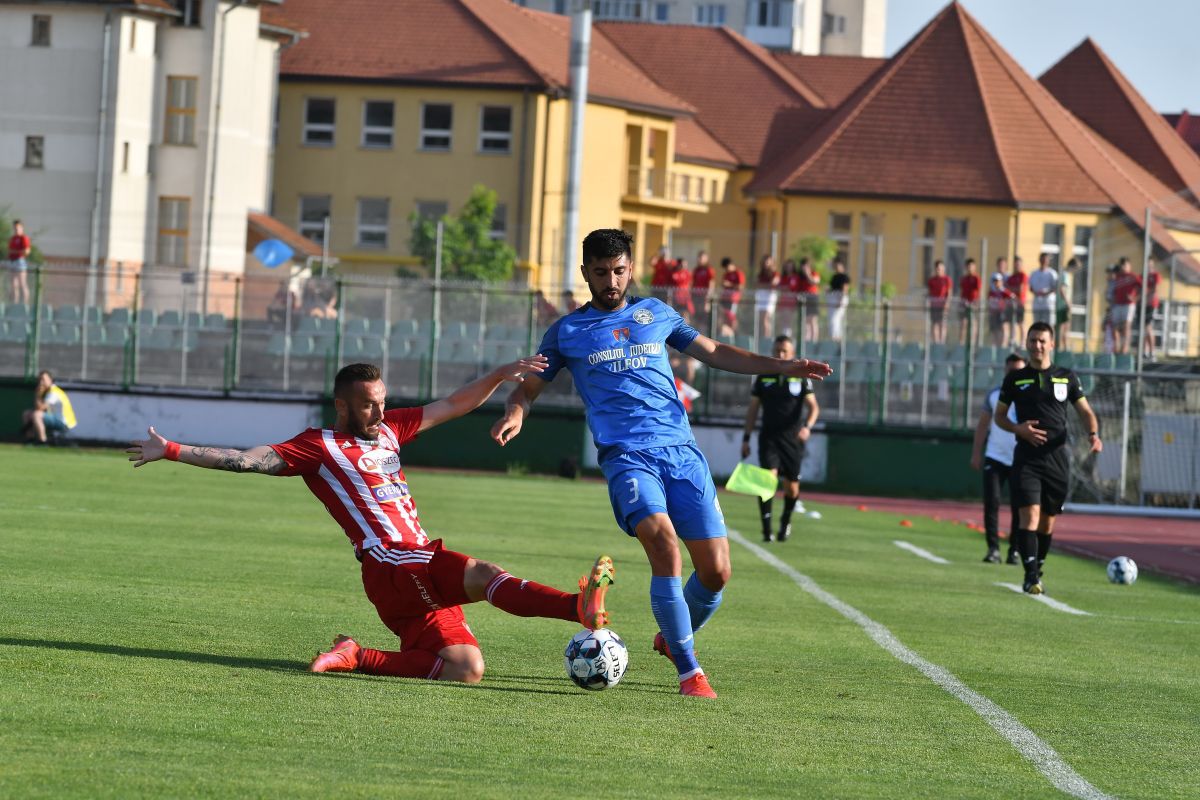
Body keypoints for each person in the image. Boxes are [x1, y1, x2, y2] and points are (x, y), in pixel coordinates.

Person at [491, 229, 832, 698]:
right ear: (586, 273)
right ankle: (690, 672)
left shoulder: (656, 313)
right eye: (600, 272)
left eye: (618, 271)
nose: (611, 281)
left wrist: (781, 366)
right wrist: (515, 411)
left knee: (716, 572)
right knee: (663, 542)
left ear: (631, 269)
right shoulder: (567, 332)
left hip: (682, 454)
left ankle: (672, 639)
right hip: (627, 458)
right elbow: (527, 388)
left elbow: (714, 351)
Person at [126, 359, 616, 684]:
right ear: (342, 405)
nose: (380, 410)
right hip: (391, 561)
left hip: (410, 568)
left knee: (465, 668)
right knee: (484, 574)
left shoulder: (390, 430)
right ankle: (577, 606)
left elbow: (453, 405)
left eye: (383, 400)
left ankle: (358, 655)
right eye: (368, 404)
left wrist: (498, 375)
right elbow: (247, 460)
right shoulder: (318, 446)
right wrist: (173, 450)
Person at [993, 322, 1102, 594]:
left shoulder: (1067, 377)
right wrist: (1018, 429)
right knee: (1029, 515)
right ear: (1027, 343)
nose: (1037, 345)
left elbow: (1086, 412)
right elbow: (999, 416)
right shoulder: (1015, 378)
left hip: (1056, 459)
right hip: (1026, 458)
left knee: (1047, 521)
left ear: (1052, 344)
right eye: (1032, 340)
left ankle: (1037, 567)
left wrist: (1093, 435)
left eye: (1042, 341)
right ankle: (1030, 576)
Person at [741, 335, 819, 543]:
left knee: (791, 487)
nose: (781, 354)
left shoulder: (801, 377)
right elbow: (753, 410)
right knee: (767, 480)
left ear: (792, 354)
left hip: (793, 440)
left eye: (785, 351)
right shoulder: (763, 377)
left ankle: (786, 521)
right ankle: (766, 530)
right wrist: (746, 438)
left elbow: (814, 408)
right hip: (769, 437)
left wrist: (807, 427)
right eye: (777, 351)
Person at [969, 353, 1026, 564]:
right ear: (1005, 370)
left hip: (1020, 458)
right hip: (995, 457)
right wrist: (976, 452)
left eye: (1018, 370)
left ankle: (1015, 550)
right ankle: (993, 548)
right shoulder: (994, 394)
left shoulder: (1029, 395)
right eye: (1011, 370)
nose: (1014, 373)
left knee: (1019, 506)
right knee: (992, 502)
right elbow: (983, 424)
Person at [22, 370, 77, 444]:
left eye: (43, 379)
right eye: (40, 380)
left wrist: (38, 394)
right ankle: (30, 441)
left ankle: (43, 442)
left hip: (64, 422)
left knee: (37, 414)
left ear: (50, 380)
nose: (41, 382)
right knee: (27, 413)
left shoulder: (54, 392)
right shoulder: (47, 391)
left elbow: (41, 408)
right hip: (55, 418)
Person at [1110, 257, 1141, 355]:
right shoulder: (1118, 277)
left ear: (1129, 266)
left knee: (1126, 326)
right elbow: (1113, 290)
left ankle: (1124, 350)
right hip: (1117, 304)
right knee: (1115, 327)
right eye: (1122, 265)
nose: (1123, 267)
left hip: (1128, 305)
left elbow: (1143, 289)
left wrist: (1135, 298)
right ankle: (1116, 348)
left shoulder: (1133, 276)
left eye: (1125, 265)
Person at [1029, 253, 1059, 327]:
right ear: (1039, 260)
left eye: (1046, 260)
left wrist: (1046, 293)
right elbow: (1031, 287)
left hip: (1048, 303)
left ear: (1048, 261)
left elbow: (1055, 287)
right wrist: (1036, 293)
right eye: (1042, 259)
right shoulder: (1034, 273)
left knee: (1049, 325)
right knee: (1037, 325)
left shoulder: (1052, 273)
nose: (1044, 261)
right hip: (1037, 303)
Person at [1004, 257, 1028, 349]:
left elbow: (1020, 289)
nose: (1017, 266)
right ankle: (1012, 340)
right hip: (1011, 303)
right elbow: (1006, 289)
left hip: (1020, 303)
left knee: (1021, 323)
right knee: (1012, 323)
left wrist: (1011, 289)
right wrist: (1012, 289)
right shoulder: (1011, 277)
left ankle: (1023, 342)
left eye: (1019, 264)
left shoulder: (1023, 276)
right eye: (1016, 264)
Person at [718, 256, 745, 337]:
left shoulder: (738, 273)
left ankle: (735, 334)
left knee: (732, 317)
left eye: (726, 267)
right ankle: (727, 333)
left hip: (733, 300)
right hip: (725, 299)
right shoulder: (726, 274)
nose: (726, 269)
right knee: (724, 317)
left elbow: (740, 287)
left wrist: (729, 284)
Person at [754, 254, 779, 341]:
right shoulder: (760, 274)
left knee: (766, 319)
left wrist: (762, 285)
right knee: (760, 320)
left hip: (769, 297)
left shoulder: (775, 274)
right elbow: (756, 284)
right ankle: (760, 338)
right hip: (760, 297)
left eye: (767, 262)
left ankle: (766, 339)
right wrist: (765, 285)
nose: (766, 264)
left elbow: (772, 285)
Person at [926, 260, 951, 345]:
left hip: (943, 306)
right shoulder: (932, 280)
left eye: (940, 268)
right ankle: (936, 342)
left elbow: (949, 293)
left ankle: (942, 342)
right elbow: (929, 293)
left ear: (943, 268)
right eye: (937, 268)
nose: (938, 270)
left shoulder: (947, 279)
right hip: (934, 306)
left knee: (942, 324)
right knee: (934, 324)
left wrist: (947, 304)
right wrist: (929, 303)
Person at [957, 258, 981, 345]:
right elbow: (962, 291)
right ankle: (961, 343)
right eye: (968, 266)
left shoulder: (976, 278)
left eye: (971, 266)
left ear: (974, 267)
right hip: (964, 304)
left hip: (973, 304)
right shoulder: (964, 279)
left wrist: (976, 303)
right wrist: (961, 302)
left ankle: (972, 343)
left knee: (973, 324)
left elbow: (978, 291)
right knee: (963, 324)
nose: (970, 268)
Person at [8, 219, 31, 306]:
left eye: (18, 228)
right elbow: (10, 250)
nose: (16, 230)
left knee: (22, 283)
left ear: (22, 228)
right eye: (15, 228)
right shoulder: (13, 238)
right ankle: (15, 303)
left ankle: (25, 304)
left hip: (20, 261)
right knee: (14, 284)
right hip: (12, 261)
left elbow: (27, 251)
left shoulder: (23, 238)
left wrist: (16, 252)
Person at [798, 258, 821, 343]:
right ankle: (806, 340)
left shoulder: (814, 273)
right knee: (805, 320)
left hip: (812, 298)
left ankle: (814, 340)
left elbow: (814, 282)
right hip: (803, 298)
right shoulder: (800, 277)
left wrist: (807, 274)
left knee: (812, 320)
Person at [826, 259, 850, 342]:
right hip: (833, 297)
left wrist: (841, 300)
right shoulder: (834, 277)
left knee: (835, 319)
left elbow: (845, 288)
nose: (836, 268)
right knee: (833, 319)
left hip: (839, 298)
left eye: (837, 266)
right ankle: (835, 337)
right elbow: (832, 288)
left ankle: (836, 338)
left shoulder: (844, 276)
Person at [985, 273, 1012, 348]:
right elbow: (989, 302)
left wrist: (1005, 305)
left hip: (1002, 313)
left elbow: (1012, 299)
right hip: (994, 314)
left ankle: (1003, 346)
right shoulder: (991, 292)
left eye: (998, 281)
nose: (996, 283)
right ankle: (995, 346)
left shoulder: (1004, 291)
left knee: (1004, 329)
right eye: (995, 281)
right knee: (994, 331)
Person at [1055, 258, 1077, 348]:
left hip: (1060, 305)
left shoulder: (1062, 274)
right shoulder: (1065, 275)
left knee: (1061, 326)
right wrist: (1068, 303)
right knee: (1065, 326)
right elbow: (1062, 289)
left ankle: (1059, 346)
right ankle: (1064, 347)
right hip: (1064, 305)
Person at [1143, 258, 1161, 360]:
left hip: (1151, 304)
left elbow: (1155, 289)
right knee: (1145, 328)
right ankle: (1145, 352)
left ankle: (1152, 352)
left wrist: (1147, 298)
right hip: (1143, 305)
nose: (1148, 266)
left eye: (1150, 264)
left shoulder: (1155, 275)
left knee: (1148, 327)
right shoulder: (1143, 276)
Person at [691, 251, 715, 328]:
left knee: (704, 315)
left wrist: (707, 299)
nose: (699, 259)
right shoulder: (696, 270)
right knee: (696, 315)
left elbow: (711, 284)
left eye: (701, 258)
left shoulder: (709, 269)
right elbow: (693, 283)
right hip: (696, 297)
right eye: (698, 258)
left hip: (704, 298)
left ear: (706, 259)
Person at [669, 257, 694, 321]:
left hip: (685, 297)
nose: (684, 266)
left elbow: (690, 284)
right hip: (676, 298)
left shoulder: (687, 273)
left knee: (686, 313)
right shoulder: (673, 273)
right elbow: (670, 285)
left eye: (685, 265)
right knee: (676, 313)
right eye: (682, 264)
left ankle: (687, 324)